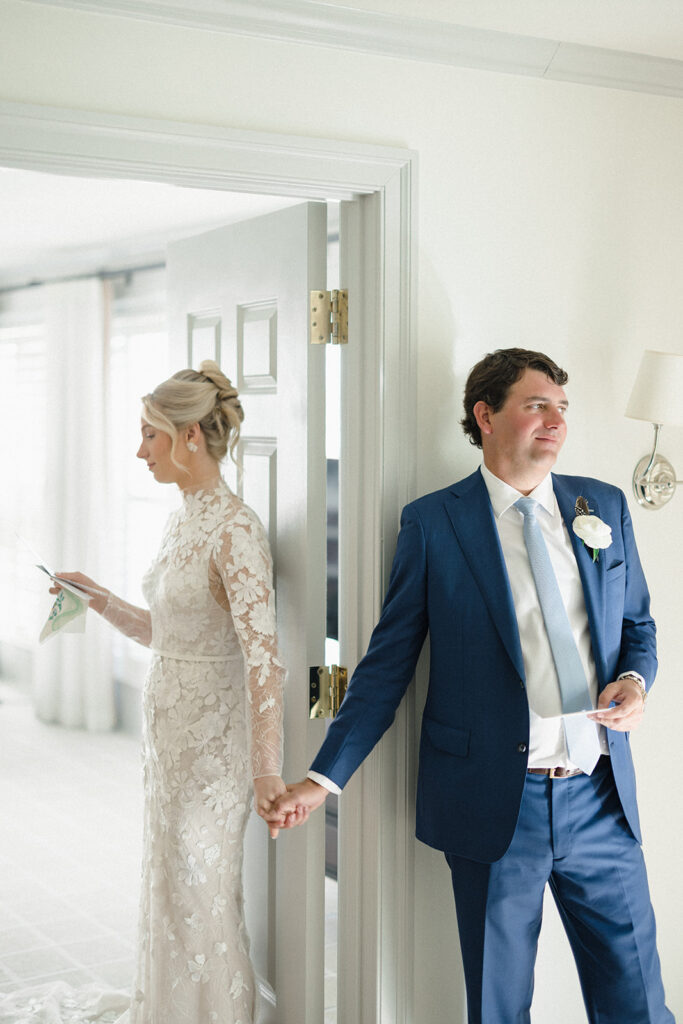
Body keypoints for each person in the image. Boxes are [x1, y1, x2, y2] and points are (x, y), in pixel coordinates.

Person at [269, 348, 674, 1024]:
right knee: (497, 1006)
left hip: (601, 800)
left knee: (638, 1003)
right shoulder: (433, 522)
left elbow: (638, 626)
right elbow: (386, 665)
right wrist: (322, 779)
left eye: (561, 408)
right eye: (535, 405)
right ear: (485, 416)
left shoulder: (599, 504)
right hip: (494, 811)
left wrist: (633, 682)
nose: (554, 421)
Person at [24, 362, 285, 1024]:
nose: (139, 451)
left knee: (200, 889)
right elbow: (167, 634)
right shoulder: (182, 520)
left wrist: (265, 771)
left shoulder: (234, 529)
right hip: (167, 737)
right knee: (171, 883)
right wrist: (98, 599)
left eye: (149, 435)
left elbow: (263, 662)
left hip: (211, 748)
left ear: (191, 435)